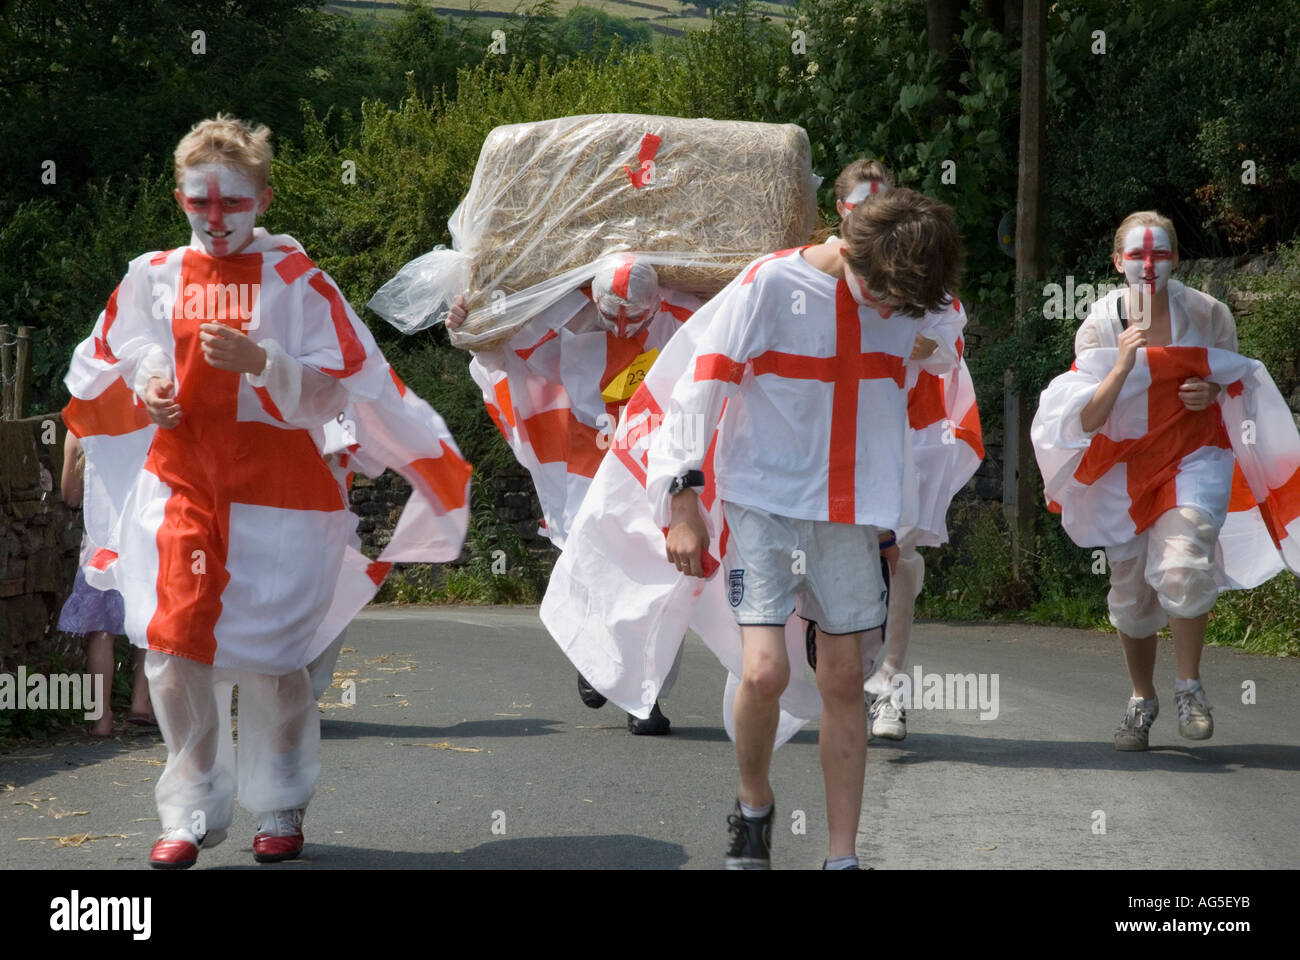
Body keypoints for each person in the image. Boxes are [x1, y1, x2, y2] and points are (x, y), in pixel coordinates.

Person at [64, 115, 470, 868]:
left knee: (276, 660)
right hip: (180, 489)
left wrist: (263, 360)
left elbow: (339, 388)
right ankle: (189, 809)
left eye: (233, 203)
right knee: (175, 650)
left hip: (281, 495)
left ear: (265, 198)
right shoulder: (150, 274)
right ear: (180, 197)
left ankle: (280, 804)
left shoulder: (299, 280)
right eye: (199, 202)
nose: (215, 219)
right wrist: (149, 384)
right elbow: (105, 362)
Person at [656, 188, 964, 869]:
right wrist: (682, 505)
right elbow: (696, 390)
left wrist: (931, 346)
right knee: (763, 673)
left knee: (845, 679)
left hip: (852, 510)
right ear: (853, 246)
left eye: (900, 306)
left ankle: (842, 857)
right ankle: (754, 804)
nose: (886, 312)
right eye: (879, 295)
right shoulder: (771, 284)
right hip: (762, 500)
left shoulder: (907, 290)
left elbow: (947, 346)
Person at [448, 256, 701, 734]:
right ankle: (593, 658)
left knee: (658, 575)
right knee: (593, 567)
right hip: (589, 459)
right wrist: (469, 325)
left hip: (658, 462)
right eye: (612, 315)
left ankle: (644, 698)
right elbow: (504, 353)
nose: (623, 326)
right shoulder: (562, 311)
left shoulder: (689, 313)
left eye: (636, 316)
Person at [1033, 211, 1243, 751]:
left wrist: (1214, 393)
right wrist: (1122, 366)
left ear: (1176, 258)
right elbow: (1084, 418)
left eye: (1160, 253)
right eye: (1137, 255)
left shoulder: (1209, 314)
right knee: (1131, 592)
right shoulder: (1100, 324)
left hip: (1194, 456)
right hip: (1125, 468)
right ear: (1116, 261)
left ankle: (1189, 688)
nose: (1148, 266)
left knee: (1183, 560)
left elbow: (1238, 383)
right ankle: (1141, 699)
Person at [821, 160, 983, 741]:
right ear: (839, 211)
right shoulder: (812, 274)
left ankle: (889, 683)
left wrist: (919, 344)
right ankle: (827, 677)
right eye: (860, 206)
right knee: (823, 558)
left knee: (901, 557)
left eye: (882, 203)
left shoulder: (922, 278)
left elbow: (948, 355)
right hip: (822, 438)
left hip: (900, 437)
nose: (872, 215)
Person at [57, 431, 153, 737]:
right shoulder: (149, 419)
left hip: (101, 541)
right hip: (143, 535)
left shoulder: (80, 428)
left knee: (101, 629)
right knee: (146, 619)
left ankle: (102, 718)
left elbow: (70, 496)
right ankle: (140, 704)